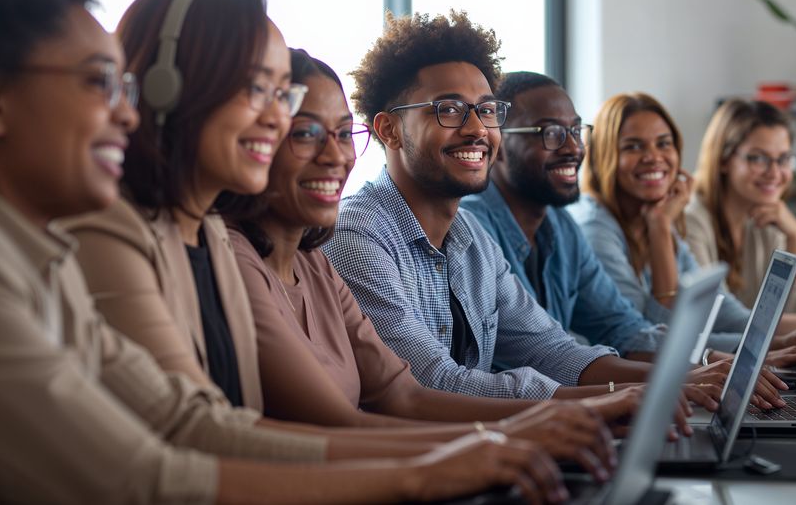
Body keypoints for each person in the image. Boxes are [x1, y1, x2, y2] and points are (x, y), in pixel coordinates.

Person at [0, 0, 569, 503]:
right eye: (98, 83)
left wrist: (469, 451)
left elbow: (192, 423)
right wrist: (424, 473)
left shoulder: (32, 252)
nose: (127, 112)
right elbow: (142, 476)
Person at [225, 48, 624, 467]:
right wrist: (511, 437)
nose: (335, 155)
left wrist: (620, 399)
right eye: (306, 133)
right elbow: (367, 413)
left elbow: (404, 394)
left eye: (344, 134)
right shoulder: (337, 240)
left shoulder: (314, 260)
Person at [323, 11, 723, 413]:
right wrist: (621, 399)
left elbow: (552, 351)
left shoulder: (472, 237)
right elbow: (434, 383)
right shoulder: (358, 233)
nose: (477, 128)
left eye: (486, 110)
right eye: (448, 110)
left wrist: (682, 380)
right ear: (389, 130)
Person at [567, 93, 796, 362]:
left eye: (663, 144)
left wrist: (777, 342)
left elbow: (725, 312)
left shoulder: (651, 214)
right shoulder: (597, 230)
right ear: (602, 157)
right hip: (617, 385)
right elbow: (647, 337)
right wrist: (763, 349)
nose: (653, 157)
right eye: (634, 147)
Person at [461, 72, 667, 359]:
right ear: (499, 143)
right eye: (551, 133)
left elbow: (619, 326)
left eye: (575, 130)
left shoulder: (561, 226)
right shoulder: (471, 228)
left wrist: (707, 362)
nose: (573, 148)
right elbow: (538, 359)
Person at [686, 99, 796, 314]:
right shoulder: (692, 218)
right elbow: (715, 319)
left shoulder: (770, 218)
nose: (774, 172)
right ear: (724, 159)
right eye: (758, 158)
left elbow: (792, 312)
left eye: (784, 158)